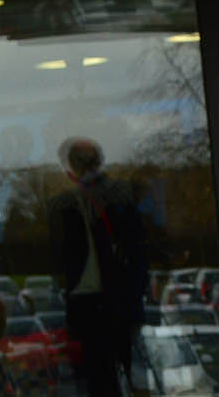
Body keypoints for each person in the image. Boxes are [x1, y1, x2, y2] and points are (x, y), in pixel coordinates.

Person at [48, 137, 146, 397]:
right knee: (129, 372)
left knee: (97, 377)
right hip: (122, 299)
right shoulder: (126, 194)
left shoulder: (66, 204)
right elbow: (140, 248)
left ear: (70, 168)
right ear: (100, 160)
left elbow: (63, 258)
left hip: (89, 303)